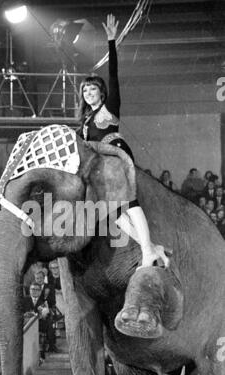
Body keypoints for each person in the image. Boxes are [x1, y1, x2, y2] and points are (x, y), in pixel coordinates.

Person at [78, 14, 169, 269]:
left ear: (102, 92)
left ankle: (148, 250)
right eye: (85, 90)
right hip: (100, 166)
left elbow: (114, 74)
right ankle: (150, 248)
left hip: (116, 157)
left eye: (92, 89)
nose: (88, 93)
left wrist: (111, 42)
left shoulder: (110, 108)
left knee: (129, 203)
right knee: (116, 213)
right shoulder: (86, 120)